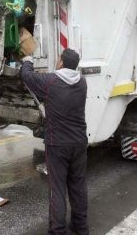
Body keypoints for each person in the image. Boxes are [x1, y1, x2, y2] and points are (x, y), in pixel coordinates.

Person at [20, 49, 88, 235]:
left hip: (57, 144)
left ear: (61, 63)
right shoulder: (82, 82)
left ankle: (58, 231)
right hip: (79, 143)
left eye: (58, 59)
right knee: (78, 186)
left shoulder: (50, 81)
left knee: (57, 189)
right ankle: (81, 228)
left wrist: (28, 59)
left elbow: (26, 75)